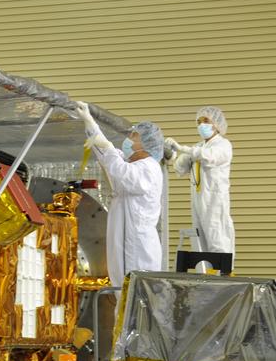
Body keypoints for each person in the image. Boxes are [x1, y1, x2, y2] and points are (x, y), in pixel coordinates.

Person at [76, 103, 164, 284]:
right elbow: (108, 158)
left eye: (134, 136)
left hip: (137, 249)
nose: (128, 139)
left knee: (134, 298)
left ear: (146, 144)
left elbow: (120, 170)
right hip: (126, 243)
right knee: (124, 297)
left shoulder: (149, 168)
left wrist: (106, 146)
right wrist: (90, 123)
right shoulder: (133, 165)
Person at [168, 105, 235, 256]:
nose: (201, 125)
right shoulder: (198, 147)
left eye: (206, 121)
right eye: (198, 122)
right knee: (200, 243)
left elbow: (209, 156)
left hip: (215, 201)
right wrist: (172, 154)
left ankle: (222, 276)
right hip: (198, 201)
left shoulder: (223, 145)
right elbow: (179, 168)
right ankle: (206, 276)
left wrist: (183, 148)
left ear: (216, 124)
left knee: (217, 239)